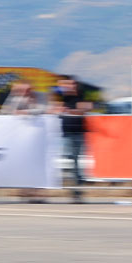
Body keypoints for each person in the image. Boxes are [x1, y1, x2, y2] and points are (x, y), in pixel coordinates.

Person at [1, 80, 47, 203]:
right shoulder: (17, 98)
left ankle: (38, 194)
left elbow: (44, 109)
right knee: (23, 164)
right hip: (22, 138)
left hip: (38, 136)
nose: (26, 93)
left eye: (28, 90)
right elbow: (5, 111)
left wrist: (26, 112)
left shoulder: (41, 96)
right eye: (23, 90)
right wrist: (13, 94)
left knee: (38, 165)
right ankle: (25, 192)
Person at [52, 75, 92, 203]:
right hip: (66, 133)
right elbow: (54, 108)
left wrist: (69, 111)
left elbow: (84, 109)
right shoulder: (62, 97)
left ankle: (77, 190)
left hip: (78, 133)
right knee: (71, 162)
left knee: (76, 162)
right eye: (65, 84)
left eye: (69, 84)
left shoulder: (80, 96)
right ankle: (75, 189)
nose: (66, 87)